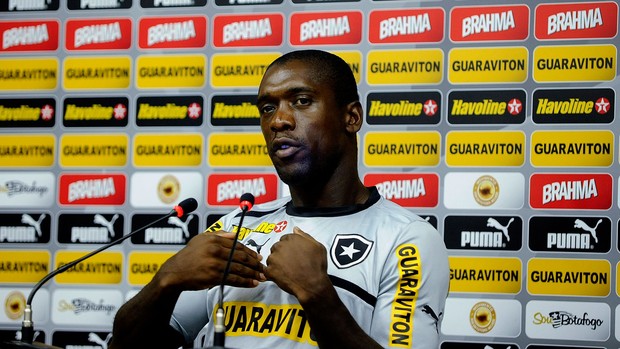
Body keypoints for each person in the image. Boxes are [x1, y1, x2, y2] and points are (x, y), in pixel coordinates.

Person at [110, 49, 449, 349]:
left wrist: (317, 295)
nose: (279, 121)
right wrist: (165, 282)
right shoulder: (235, 227)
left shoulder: (408, 239)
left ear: (351, 117)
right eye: (268, 108)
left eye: (301, 101)